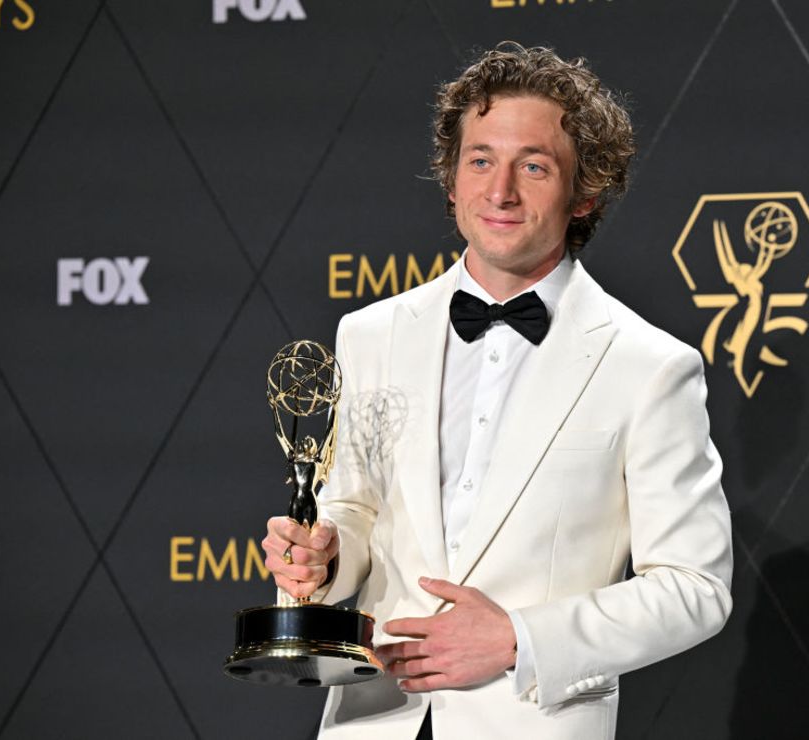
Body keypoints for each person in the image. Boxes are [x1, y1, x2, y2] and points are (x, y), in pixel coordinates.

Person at [262, 42, 733, 739]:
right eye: (480, 160)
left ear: (585, 193)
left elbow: (695, 590)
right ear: (450, 181)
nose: (500, 191)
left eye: (533, 167)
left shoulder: (650, 367)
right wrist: (321, 561)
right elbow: (353, 511)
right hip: (374, 721)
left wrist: (520, 637)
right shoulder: (371, 333)